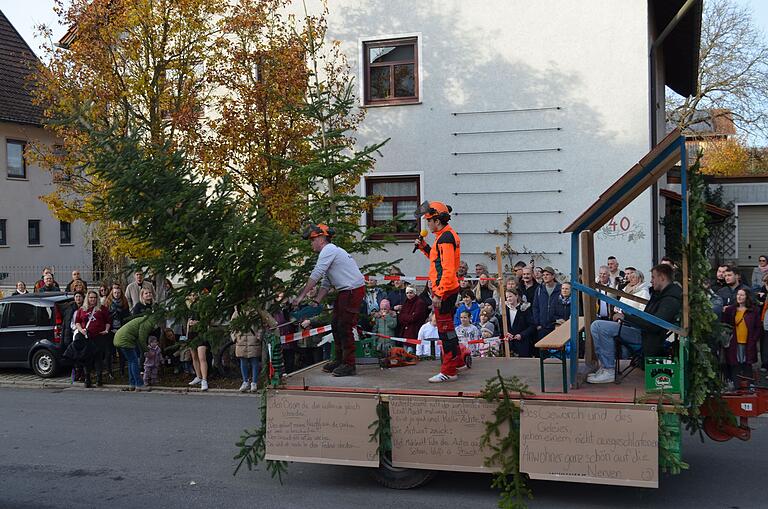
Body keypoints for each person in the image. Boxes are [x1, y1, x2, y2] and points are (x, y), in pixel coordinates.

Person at [587, 264, 682, 384]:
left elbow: (654, 325)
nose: (651, 281)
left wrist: (626, 317)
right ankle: (606, 367)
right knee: (597, 325)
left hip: (646, 337)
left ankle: (608, 370)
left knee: (599, 326)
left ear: (662, 278)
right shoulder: (663, 295)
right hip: (643, 332)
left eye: (653, 277)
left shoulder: (669, 300)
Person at [293, 223, 366, 377]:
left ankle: (349, 364)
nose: (311, 243)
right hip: (347, 290)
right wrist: (317, 300)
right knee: (335, 324)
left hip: (352, 290)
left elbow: (317, 273)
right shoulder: (330, 251)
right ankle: (339, 360)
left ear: (321, 238)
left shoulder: (329, 250)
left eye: (312, 240)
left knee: (344, 326)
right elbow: (326, 281)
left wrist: (300, 296)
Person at [414, 200, 463, 382]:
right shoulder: (443, 237)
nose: (427, 224)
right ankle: (457, 361)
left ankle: (449, 371)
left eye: (429, 221)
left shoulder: (445, 238)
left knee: (445, 331)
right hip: (448, 289)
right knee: (448, 330)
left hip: (445, 291)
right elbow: (438, 262)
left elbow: (448, 269)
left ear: (437, 220)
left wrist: (438, 293)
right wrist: (423, 247)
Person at [721, 288, 763, 384]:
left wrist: (754, 339)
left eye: (742, 295)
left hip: (748, 342)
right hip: (734, 342)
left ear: (747, 297)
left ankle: (748, 385)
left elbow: (757, 327)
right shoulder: (730, 310)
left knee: (747, 363)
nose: (739, 297)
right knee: (735, 363)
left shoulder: (753, 310)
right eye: (738, 295)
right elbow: (724, 325)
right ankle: (736, 384)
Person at [74, 290, 111, 387]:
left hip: (98, 337)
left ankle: (99, 379)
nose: (93, 299)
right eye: (91, 297)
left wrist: (106, 330)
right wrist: (81, 330)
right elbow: (77, 321)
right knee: (87, 358)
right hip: (86, 337)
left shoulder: (102, 309)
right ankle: (87, 379)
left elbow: (108, 321)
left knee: (98, 358)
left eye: (94, 297)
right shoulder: (82, 309)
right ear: (87, 298)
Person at [113, 314, 158, 391]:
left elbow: (138, 338)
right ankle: (139, 384)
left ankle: (132, 384)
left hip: (120, 338)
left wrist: (144, 350)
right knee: (134, 362)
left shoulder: (144, 320)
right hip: (125, 340)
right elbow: (142, 339)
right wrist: (147, 351)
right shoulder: (147, 324)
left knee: (131, 361)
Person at [232, 308, 262, 393]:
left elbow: (260, 326)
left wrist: (259, 336)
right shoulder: (237, 312)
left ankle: (254, 382)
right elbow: (232, 326)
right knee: (243, 360)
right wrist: (235, 337)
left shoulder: (255, 311)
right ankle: (245, 381)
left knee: (254, 360)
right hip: (241, 339)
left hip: (253, 339)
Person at [105, 283, 131, 378]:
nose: (117, 294)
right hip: (110, 330)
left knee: (122, 351)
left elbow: (127, 317)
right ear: (112, 293)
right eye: (115, 293)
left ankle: (122, 371)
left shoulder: (124, 303)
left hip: (121, 329)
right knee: (109, 352)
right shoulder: (108, 303)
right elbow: (105, 318)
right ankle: (109, 372)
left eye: (118, 293)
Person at [503, 288, 536, 357]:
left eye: (510, 296)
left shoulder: (524, 309)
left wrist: (522, 335)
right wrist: (507, 333)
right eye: (507, 297)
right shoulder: (505, 310)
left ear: (516, 296)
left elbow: (532, 326)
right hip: (509, 343)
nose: (508, 299)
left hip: (523, 343)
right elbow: (502, 325)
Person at [532, 266, 562, 339]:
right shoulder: (539, 289)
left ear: (553, 276)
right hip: (543, 326)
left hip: (556, 325)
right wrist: (537, 324)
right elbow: (535, 307)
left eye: (547, 274)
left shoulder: (560, 289)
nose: (545, 277)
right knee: (543, 349)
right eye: (543, 275)